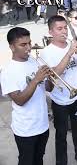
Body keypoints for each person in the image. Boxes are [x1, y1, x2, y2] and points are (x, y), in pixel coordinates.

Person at [40, 15, 77, 165]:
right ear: (51, 32)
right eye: (59, 29)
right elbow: (54, 76)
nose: (64, 31)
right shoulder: (47, 52)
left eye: (65, 27)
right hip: (60, 101)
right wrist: (70, 53)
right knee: (61, 135)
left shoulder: (73, 46)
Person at [0, 27, 51, 165]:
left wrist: (51, 79)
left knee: (39, 158)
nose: (28, 47)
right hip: (26, 129)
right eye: (23, 44)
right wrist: (36, 80)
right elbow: (20, 100)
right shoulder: (8, 71)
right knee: (26, 160)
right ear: (12, 47)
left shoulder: (34, 61)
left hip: (42, 124)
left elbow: (47, 88)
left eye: (29, 43)